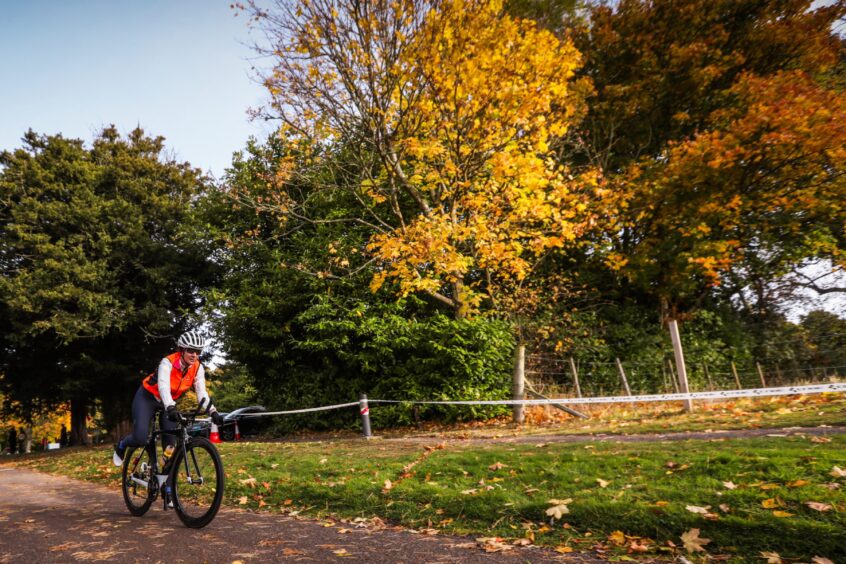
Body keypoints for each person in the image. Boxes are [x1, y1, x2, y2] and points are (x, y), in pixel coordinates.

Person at [113, 331, 224, 467]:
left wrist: (213, 411)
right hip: (147, 398)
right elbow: (163, 387)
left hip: (169, 402)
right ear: (182, 350)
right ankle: (122, 444)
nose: (194, 355)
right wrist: (171, 407)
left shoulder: (197, 368)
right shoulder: (168, 363)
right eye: (190, 350)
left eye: (198, 351)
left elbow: (201, 393)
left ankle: (164, 477)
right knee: (141, 438)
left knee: (170, 445)